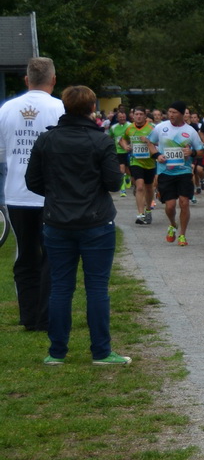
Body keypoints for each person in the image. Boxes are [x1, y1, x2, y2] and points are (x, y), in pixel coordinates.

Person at [25, 85, 129, 366]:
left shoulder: (47, 139)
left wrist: (58, 195)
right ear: (92, 108)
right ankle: (101, 351)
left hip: (57, 220)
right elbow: (113, 182)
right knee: (96, 287)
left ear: (65, 107)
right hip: (96, 221)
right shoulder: (101, 140)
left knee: (60, 286)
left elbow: (32, 181)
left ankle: (57, 352)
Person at [0, 57, 65, 331]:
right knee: (51, 256)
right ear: (53, 80)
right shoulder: (60, 108)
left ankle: (28, 316)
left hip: (17, 193)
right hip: (51, 194)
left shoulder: (7, 109)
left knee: (25, 255)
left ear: (26, 80)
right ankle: (45, 316)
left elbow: (1, 154)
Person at [149, 103, 204, 246]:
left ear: (181, 114)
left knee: (184, 203)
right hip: (165, 172)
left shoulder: (190, 131)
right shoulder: (161, 127)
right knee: (170, 206)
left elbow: (201, 152)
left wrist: (191, 153)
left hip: (184, 172)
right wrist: (157, 155)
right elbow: (150, 142)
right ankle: (173, 224)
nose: (171, 115)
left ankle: (182, 235)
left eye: (174, 112)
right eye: (169, 112)